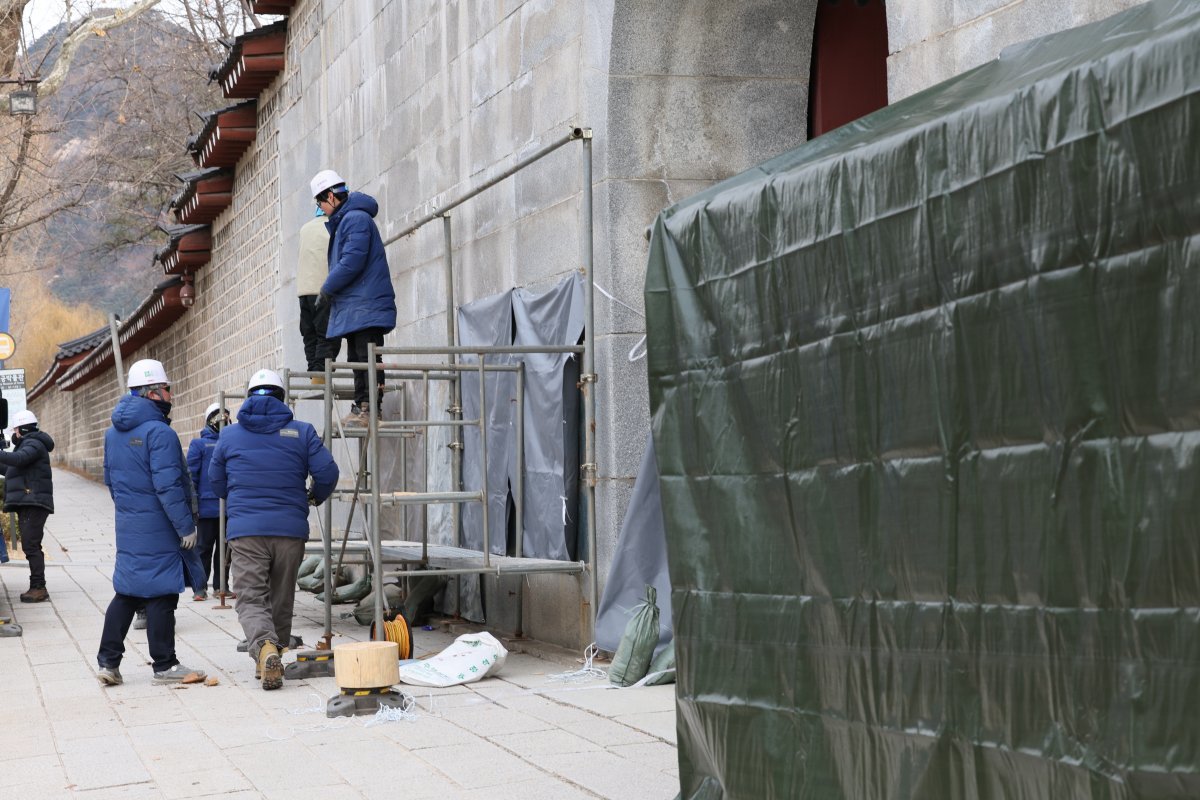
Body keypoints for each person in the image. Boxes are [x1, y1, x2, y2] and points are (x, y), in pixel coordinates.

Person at [210, 368, 338, 690]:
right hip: (290, 530)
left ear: (248, 397)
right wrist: (313, 497)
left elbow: (216, 481)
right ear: (283, 397)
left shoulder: (229, 435)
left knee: (251, 597)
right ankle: (273, 654)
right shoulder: (302, 431)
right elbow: (328, 473)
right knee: (282, 597)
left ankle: (264, 648)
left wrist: (236, 499)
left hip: (246, 531)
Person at [96, 358, 206, 687]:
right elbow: (169, 486)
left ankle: (108, 663)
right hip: (160, 526)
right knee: (161, 593)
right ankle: (165, 665)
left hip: (129, 524)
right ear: (153, 393)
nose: (170, 394)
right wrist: (185, 526)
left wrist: (131, 510)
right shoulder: (160, 433)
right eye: (167, 389)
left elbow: (110, 481)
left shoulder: (112, 433)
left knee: (127, 592)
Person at [310, 169, 397, 425]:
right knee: (357, 357)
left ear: (331, 196)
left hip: (365, 304)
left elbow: (352, 261)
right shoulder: (349, 219)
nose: (321, 208)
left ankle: (370, 408)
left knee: (366, 355)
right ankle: (362, 406)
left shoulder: (355, 219)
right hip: (357, 305)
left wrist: (327, 288)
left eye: (320, 202)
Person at [0, 410, 54, 602]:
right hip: (30, 501)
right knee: (31, 544)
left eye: (15, 429)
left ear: (22, 429)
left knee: (31, 545)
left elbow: (18, 460)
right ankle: (38, 585)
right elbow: (12, 468)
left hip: (34, 502)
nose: (14, 433)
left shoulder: (33, 444)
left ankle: (38, 587)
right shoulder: (28, 445)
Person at [187, 403, 233, 600]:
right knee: (203, 548)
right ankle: (200, 586)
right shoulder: (199, 445)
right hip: (206, 509)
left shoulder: (231, 443)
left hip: (227, 508)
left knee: (224, 550)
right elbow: (191, 477)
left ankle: (221, 586)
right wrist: (192, 504)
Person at [297, 209, 338, 383]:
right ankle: (321, 375)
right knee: (327, 334)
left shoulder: (304, 229)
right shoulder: (333, 225)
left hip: (304, 290)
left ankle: (313, 372)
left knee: (310, 333)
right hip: (323, 287)